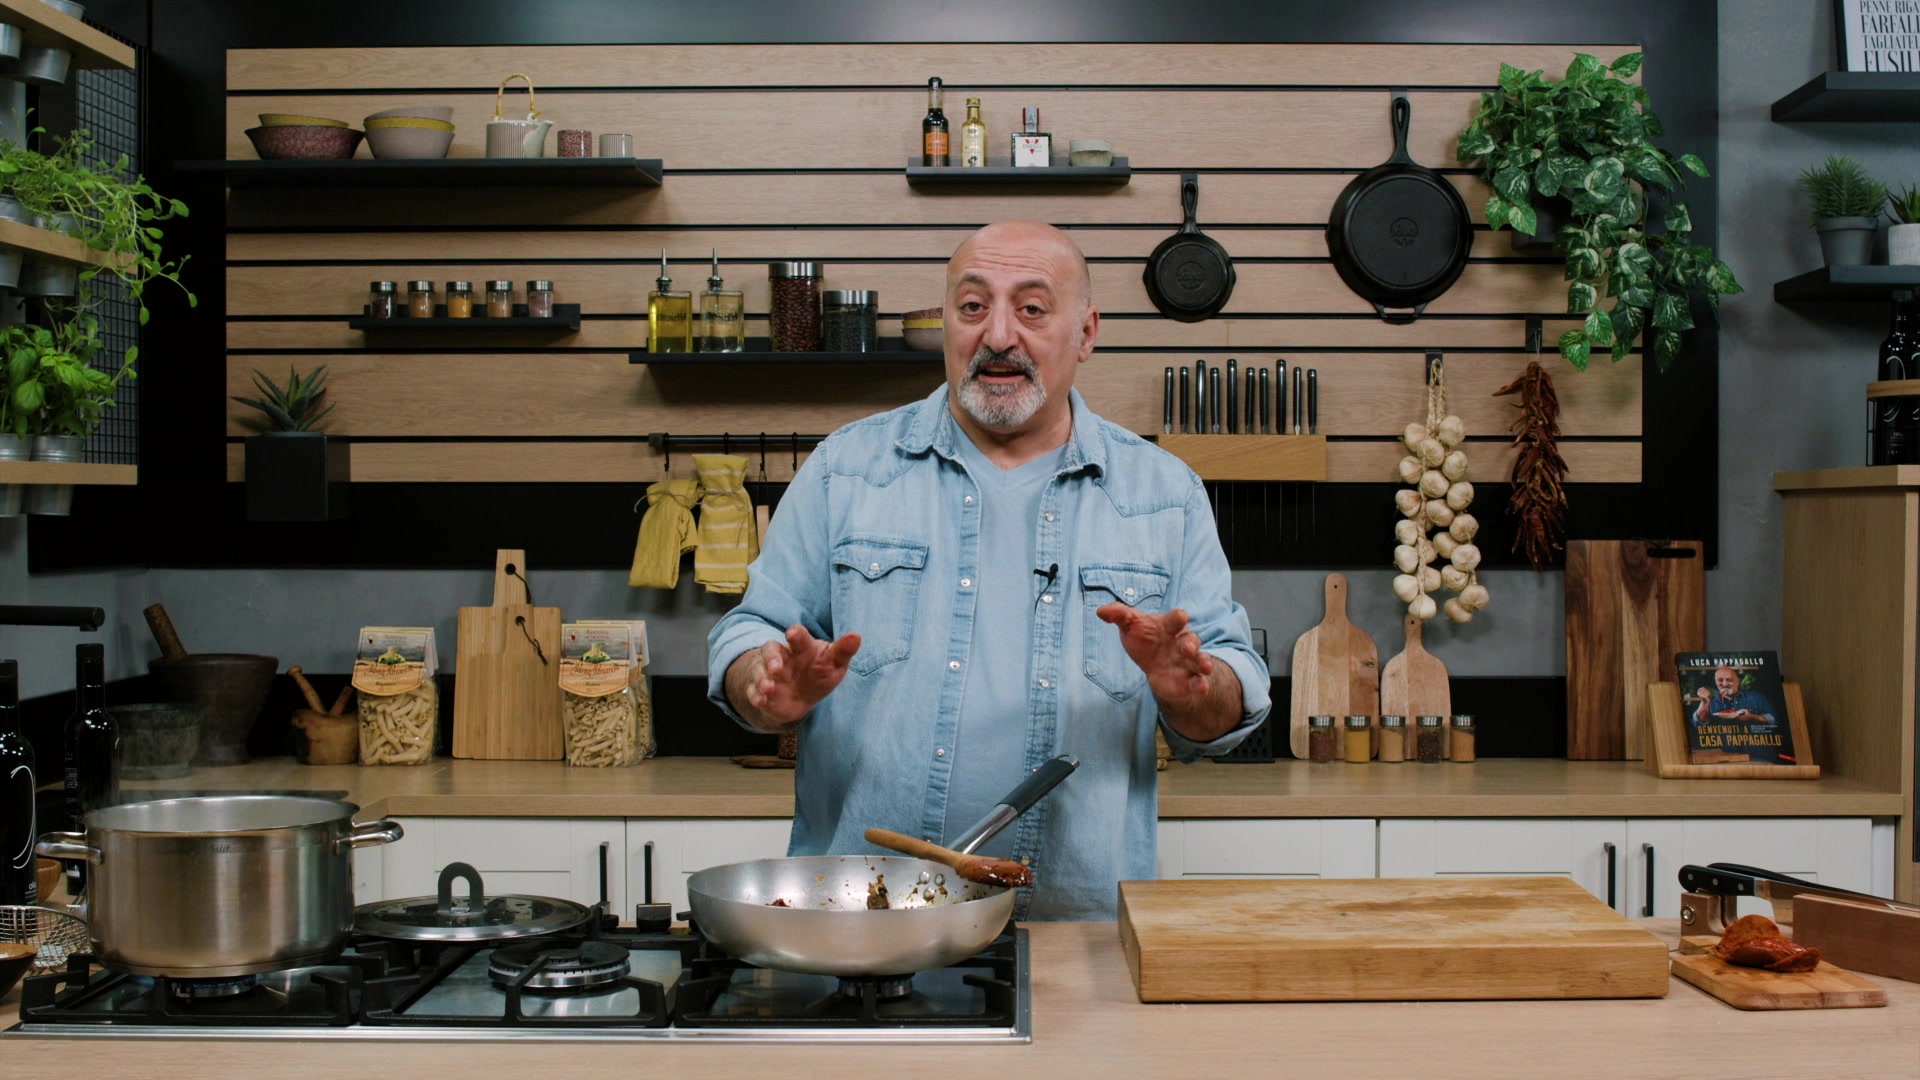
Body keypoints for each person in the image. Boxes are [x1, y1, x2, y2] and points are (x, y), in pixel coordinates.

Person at [707, 220, 1271, 921]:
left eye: (1032, 309)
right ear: (946, 324)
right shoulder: (845, 470)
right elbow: (747, 632)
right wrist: (762, 684)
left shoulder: (1163, 494)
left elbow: (1231, 690)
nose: (998, 335)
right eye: (973, 307)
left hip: (1075, 933)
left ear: (1086, 333)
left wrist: (1193, 691)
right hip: (863, 928)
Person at [1690, 666, 1777, 725]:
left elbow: (1773, 719)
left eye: (1729, 680)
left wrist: (1753, 717)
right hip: (1722, 748)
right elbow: (1697, 724)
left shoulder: (1755, 697)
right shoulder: (1710, 701)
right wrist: (1704, 704)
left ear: (1738, 681)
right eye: (1720, 680)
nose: (1724, 684)